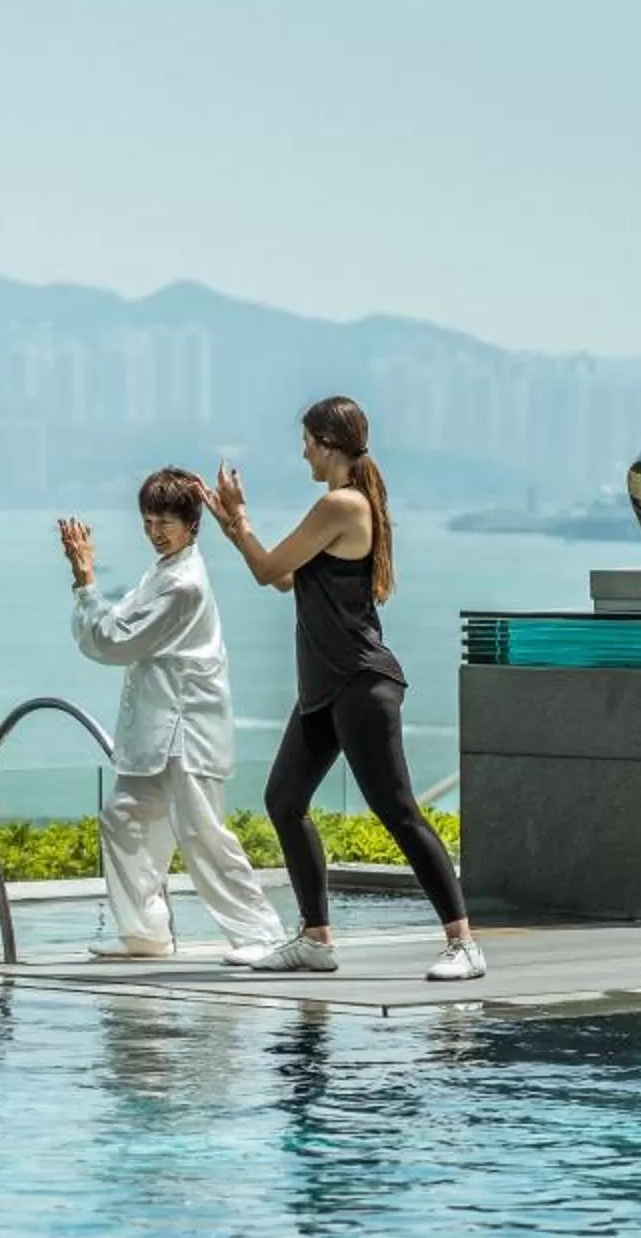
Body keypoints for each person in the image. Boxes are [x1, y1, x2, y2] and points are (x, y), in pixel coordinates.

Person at [203, 397, 485, 982]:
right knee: (284, 799)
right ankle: (314, 938)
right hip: (326, 688)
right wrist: (237, 527)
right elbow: (282, 577)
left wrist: (242, 524)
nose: (302, 450)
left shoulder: (342, 504)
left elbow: (265, 568)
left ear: (329, 444)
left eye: (307, 440)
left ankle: (464, 944)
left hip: (360, 683)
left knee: (397, 809)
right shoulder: (336, 507)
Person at [59, 469, 289, 964]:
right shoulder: (164, 570)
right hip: (162, 727)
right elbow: (120, 625)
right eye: (148, 520)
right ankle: (144, 933)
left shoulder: (183, 584)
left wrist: (85, 583)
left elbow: (115, 640)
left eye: (166, 521)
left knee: (202, 832)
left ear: (191, 524)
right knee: (122, 817)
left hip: (187, 726)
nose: (155, 531)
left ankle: (263, 935)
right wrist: (91, 592)